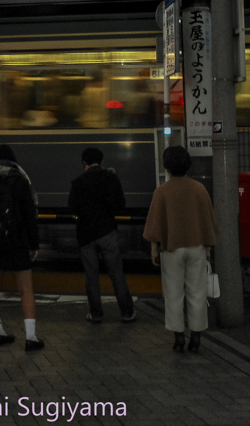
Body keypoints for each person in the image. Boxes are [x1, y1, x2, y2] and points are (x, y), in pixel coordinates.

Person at [142, 145, 218, 353]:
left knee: (174, 294)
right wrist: (208, 250)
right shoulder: (199, 189)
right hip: (197, 248)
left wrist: (154, 251)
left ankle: (178, 337)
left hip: (172, 249)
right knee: (197, 292)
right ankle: (196, 335)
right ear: (188, 166)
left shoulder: (162, 191)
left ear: (166, 168)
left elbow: (155, 226)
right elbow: (208, 222)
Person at [0, 144, 44, 352]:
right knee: (25, 288)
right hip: (16, 239)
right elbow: (29, 215)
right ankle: (31, 338)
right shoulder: (19, 180)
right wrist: (34, 244)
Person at [67, 146, 136, 324]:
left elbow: (72, 209)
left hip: (86, 235)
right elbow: (120, 204)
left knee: (91, 275)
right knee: (116, 272)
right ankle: (127, 312)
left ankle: (96, 314)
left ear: (84, 163)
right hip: (107, 231)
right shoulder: (111, 178)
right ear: (101, 160)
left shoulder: (78, 182)